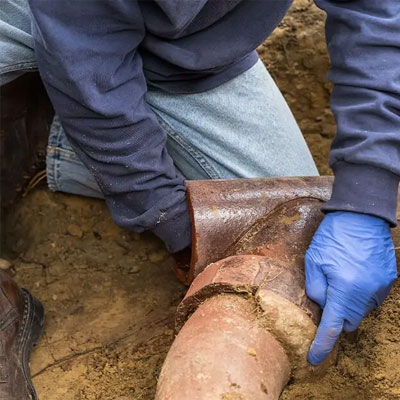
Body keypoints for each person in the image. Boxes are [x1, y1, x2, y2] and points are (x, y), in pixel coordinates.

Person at [0, 0, 398, 397]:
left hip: (182, 53)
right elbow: (85, 66)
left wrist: (366, 197)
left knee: (289, 226)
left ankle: (47, 138)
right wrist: (172, 220)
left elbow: (375, 12)